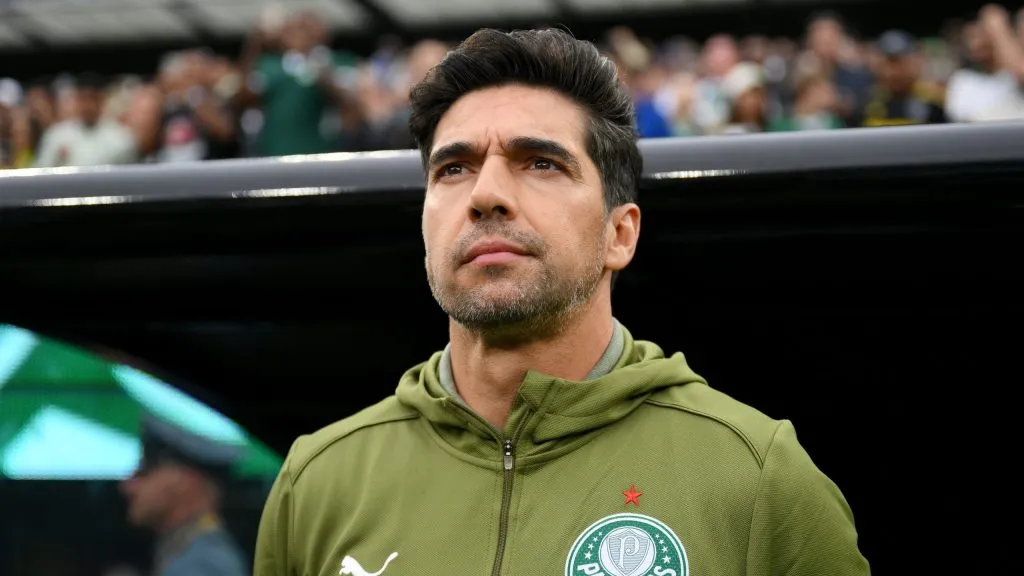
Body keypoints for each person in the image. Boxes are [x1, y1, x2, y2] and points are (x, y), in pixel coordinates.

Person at [254, 28, 869, 576]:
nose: (486, 193)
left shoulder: (756, 476)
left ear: (619, 234)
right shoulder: (319, 480)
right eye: (453, 169)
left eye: (541, 163)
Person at [121, 413, 249, 576]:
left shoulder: (205, 565)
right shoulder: (192, 552)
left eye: (145, 470)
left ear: (184, 478)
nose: (127, 486)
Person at [859, 30, 946, 127]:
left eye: (900, 63)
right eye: (888, 63)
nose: (894, 72)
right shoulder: (866, 103)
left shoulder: (934, 101)